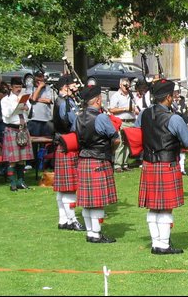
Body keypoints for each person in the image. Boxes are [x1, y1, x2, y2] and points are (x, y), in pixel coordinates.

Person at [138, 79, 188, 254]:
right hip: (166, 164)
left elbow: (136, 132)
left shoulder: (144, 114)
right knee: (165, 206)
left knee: (153, 206)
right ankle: (163, 244)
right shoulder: (174, 119)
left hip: (148, 164)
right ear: (169, 97)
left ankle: (156, 242)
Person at [76, 85, 121, 243]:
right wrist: (111, 150)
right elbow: (115, 139)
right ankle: (96, 234)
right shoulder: (101, 117)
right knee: (96, 202)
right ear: (98, 100)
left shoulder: (79, 116)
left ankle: (90, 232)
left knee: (88, 202)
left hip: (83, 160)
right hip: (99, 159)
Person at [51, 76, 85, 231]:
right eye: (73, 85)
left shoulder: (64, 100)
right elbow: (74, 123)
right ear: (66, 87)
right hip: (68, 144)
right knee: (69, 187)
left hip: (64, 144)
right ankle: (71, 220)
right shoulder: (65, 102)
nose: (76, 87)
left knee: (64, 187)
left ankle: (63, 219)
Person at [1, 77, 34, 191]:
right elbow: (6, 114)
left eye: (20, 87)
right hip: (12, 129)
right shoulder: (5, 100)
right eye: (16, 87)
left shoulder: (24, 98)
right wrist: (16, 105)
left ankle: (21, 181)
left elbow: (29, 112)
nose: (18, 89)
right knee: (12, 159)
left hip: (23, 129)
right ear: (11, 87)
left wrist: (26, 107)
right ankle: (13, 183)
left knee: (22, 159)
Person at [108, 78, 137, 172]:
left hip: (131, 121)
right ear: (120, 85)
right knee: (121, 143)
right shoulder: (116, 96)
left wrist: (135, 110)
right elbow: (111, 109)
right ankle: (117, 165)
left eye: (128, 86)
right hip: (121, 121)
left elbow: (135, 107)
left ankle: (125, 163)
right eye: (125, 85)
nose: (126, 87)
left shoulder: (131, 95)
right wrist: (125, 109)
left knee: (128, 144)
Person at [26, 71, 54, 138]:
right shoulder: (30, 87)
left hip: (46, 119)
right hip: (34, 119)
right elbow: (32, 98)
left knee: (46, 142)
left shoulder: (48, 88)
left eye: (41, 77)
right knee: (34, 142)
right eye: (38, 77)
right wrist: (39, 87)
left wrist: (36, 99)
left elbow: (49, 100)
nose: (40, 80)